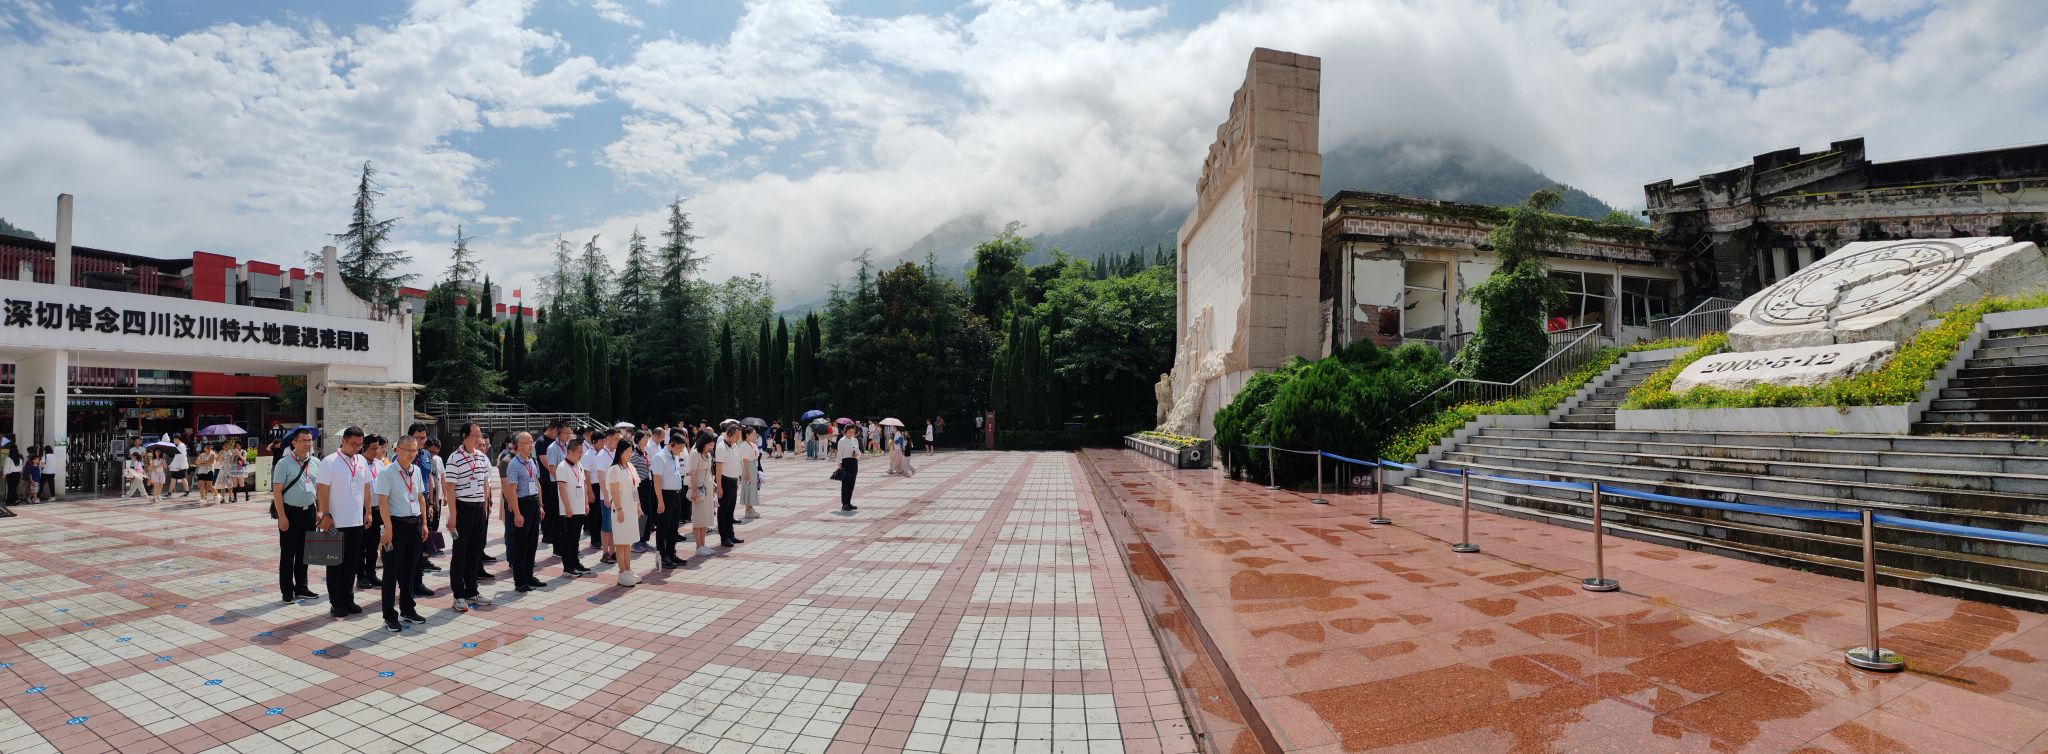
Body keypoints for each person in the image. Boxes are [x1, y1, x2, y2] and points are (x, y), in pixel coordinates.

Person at [375, 435, 431, 633]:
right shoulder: (387, 472)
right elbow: (382, 502)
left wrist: (424, 523)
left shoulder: (416, 470)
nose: (411, 454)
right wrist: (388, 528)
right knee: (391, 573)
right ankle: (389, 615)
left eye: (415, 450)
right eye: (407, 450)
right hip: (395, 526)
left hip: (414, 525)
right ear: (397, 450)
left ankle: (408, 609)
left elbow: (421, 497)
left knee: (410, 570)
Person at [314, 426, 369, 619]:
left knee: (352, 563)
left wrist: (368, 511)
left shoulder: (361, 460)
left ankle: (348, 598)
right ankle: (336, 603)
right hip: (336, 521)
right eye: (353, 444)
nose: (356, 448)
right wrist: (325, 513)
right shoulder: (329, 461)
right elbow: (322, 489)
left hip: (356, 521)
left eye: (359, 445)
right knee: (335, 564)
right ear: (343, 441)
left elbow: (366, 487)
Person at [443, 422, 493, 612]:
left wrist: (485, 506)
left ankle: (472, 590)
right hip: (463, 508)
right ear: (464, 436)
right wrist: (453, 516)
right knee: (460, 553)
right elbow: (450, 489)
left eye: (480, 435)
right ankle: (458, 595)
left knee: (475, 551)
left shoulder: (481, 456)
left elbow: (485, 482)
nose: (479, 439)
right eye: (475, 435)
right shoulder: (454, 458)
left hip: (479, 508)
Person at [272, 427, 321, 605]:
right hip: (290, 513)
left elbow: (319, 489)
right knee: (288, 554)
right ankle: (287, 591)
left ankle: (302, 587)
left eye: (309, 440)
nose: (307, 444)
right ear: (294, 442)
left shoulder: (316, 462)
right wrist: (282, 517)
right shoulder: (283, 463)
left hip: (309, 513)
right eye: (303, 440)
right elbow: (277, 492)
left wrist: (320, 510)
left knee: (304, 553)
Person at [500, 431, 548, 593]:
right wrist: (517, 513)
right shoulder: (514, 464)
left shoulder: (532, 461)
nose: (531, 445)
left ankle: (529, 576)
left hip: (533, 503)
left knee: (532, 543)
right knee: (521, 545)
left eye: (531, 441)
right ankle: (520, 581)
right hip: (522, 504)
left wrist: (540, 505)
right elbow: (512, 491)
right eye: (528, 442)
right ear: (519, 445)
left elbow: (537, 483)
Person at [553, 439, 593, 578]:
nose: (581, 455)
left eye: (582, 452)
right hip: (568, 510)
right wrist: (567, 507)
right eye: (578, 452)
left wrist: (586, 503)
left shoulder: (579, 465)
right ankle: (568, 566)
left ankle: (575, 563)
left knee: (576, 539)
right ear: (570, 451)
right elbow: (562, 488)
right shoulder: (562, 467)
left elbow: (584, 485)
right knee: (568, 539)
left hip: (579, 508)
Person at [605, 438, 643, 587]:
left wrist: (638, 505)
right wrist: (619, 510)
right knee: (621, 542)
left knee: (628, 541)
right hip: (620, 509)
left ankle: (628, 569)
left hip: (631, 508)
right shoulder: (614, 469)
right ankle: (622, 572)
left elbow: (635, 488)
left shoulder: (630, 466)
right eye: (627, 451)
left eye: (631, 451)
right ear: (620, 452)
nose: (630, 454)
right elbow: (614, 492)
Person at [357, 436, 388, 592]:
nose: (376, 451)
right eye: (373, 449)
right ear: (364, 448)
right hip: (361, 510)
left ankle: (371, 573)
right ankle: (361, 576)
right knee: (361, 544)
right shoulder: (357, 463)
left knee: (373, 544)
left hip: (377, 509)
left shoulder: (380, 464)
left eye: (378, 448)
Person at [652, 433, 686, 568]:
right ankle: (662, 555)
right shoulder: (660, 457)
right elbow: (657, 480)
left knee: (673, 527)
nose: (681, 451)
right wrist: (660, 501)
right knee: (663, 527)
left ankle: (672, 553)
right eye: (680, 448)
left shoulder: (673, 456)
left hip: (676, 494)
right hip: (665, 495)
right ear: (672, 444)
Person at [686, 432, 718, 558]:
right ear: (703, 443)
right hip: (699, 488)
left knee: (705, 517)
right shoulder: (695, 454)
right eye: (709, 445)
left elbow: (709, 471)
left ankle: (703, 545)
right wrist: (693, 491)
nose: (711, 447)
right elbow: (693, 474)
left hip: (708, 488)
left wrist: (713, 483)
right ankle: (698, 546)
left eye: (712, 445)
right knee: (698, 517)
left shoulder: (707, 455)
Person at [713, 424, 745, 548]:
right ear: (730, 434)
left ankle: (731, 534)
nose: (738, 438)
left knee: (731, 509)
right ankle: (724, 537)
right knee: (723, 510)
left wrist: (737, 480)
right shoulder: (721, 447)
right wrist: (719, 486)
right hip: (724, 481)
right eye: (736, 436)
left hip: (733, 480)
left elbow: (736, 464)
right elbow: (718, 469)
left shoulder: (735, 446)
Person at [631, 431, 658, 554]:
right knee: (640, 514)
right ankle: (636, 542)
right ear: (637, 439)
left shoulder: (644, 452)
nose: (647, 440)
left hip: (647, 484)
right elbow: (632, 473)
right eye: (644, 438)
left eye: (647, 438)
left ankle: (644, 539)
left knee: (647, 512)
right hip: (639, 486)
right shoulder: (634, 455)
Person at [835, 425, 861, 512]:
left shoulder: (855, 440)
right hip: (845, 463)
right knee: (845, 483)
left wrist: (857, 455)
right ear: (846, 431)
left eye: (853, 432)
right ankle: (844, 503)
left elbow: (859, 452)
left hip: (854, 462)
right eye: (850, 432)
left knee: (852, 483)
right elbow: (839, 454)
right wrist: (839, 464)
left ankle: (849, 502)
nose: (851, 433)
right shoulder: (842, 441)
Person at [739, 426, 762, 521]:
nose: (754, 436)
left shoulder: (752, 444)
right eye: (752, 434)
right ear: (747, 435)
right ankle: (748, 509)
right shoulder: (744, 445)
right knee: (748, 488)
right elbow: (745, 460)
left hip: (753, 467)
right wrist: (747, 474)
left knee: (752, 488)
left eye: (755, 434)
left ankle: (751, 508)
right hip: (748, 468)